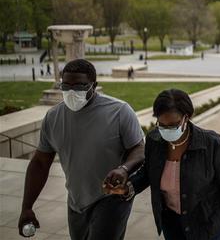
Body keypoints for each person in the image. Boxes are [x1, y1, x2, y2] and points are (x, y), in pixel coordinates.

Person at [105, 89, 220, 240]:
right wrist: (128, 188)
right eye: (161, 125)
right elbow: (148, 173)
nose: (166, 130)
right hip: (171, 221)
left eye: (173, 125)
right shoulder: (154, 140)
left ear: (187, 117)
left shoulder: (212, 144)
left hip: (207, 221)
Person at [18, 59, 145, 239]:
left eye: (79, 86)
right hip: (76, 201)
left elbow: (139, 148)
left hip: (111, 197)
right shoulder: (53, 117)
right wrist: (27, 207)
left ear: (94, 85)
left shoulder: (119, 111)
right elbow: (40, 163)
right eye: (66, 86)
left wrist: (123, 169)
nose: (71, 92)